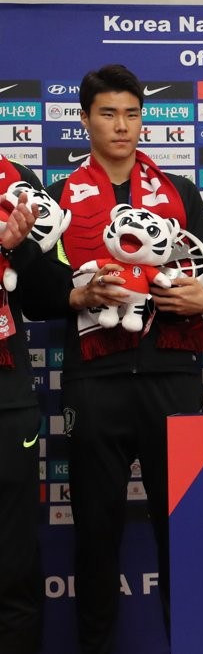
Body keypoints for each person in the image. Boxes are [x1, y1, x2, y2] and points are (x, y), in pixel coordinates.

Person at [22, 64, 203, 654]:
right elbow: (32, 290)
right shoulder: (59, 197)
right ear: (84, 120)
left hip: (172, 376)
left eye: (132, 114)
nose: (122, 126)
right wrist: (76, 296)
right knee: (96, 534)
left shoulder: (180, 191)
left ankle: (190, 643)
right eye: (108, 114)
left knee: (183, 533)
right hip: (95, 380)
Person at [0, 157, 44, 654]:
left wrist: (15, 248)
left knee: (13, 567)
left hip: (7, 402)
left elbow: (40, 291)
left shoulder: (15, 182)